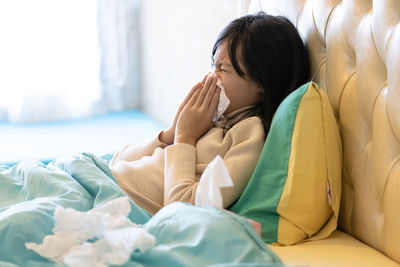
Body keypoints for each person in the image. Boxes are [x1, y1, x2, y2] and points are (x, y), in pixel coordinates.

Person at [109, 11, 310, 215]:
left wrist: (185, 138)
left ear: (261, 82)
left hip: (116, 205)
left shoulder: (250, 137)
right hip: (104, 183)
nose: (211, 77)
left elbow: (183, 209)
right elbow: (116, 162)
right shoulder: (211, 119)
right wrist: (170, 133)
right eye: (213, 65)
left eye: (223, 68)